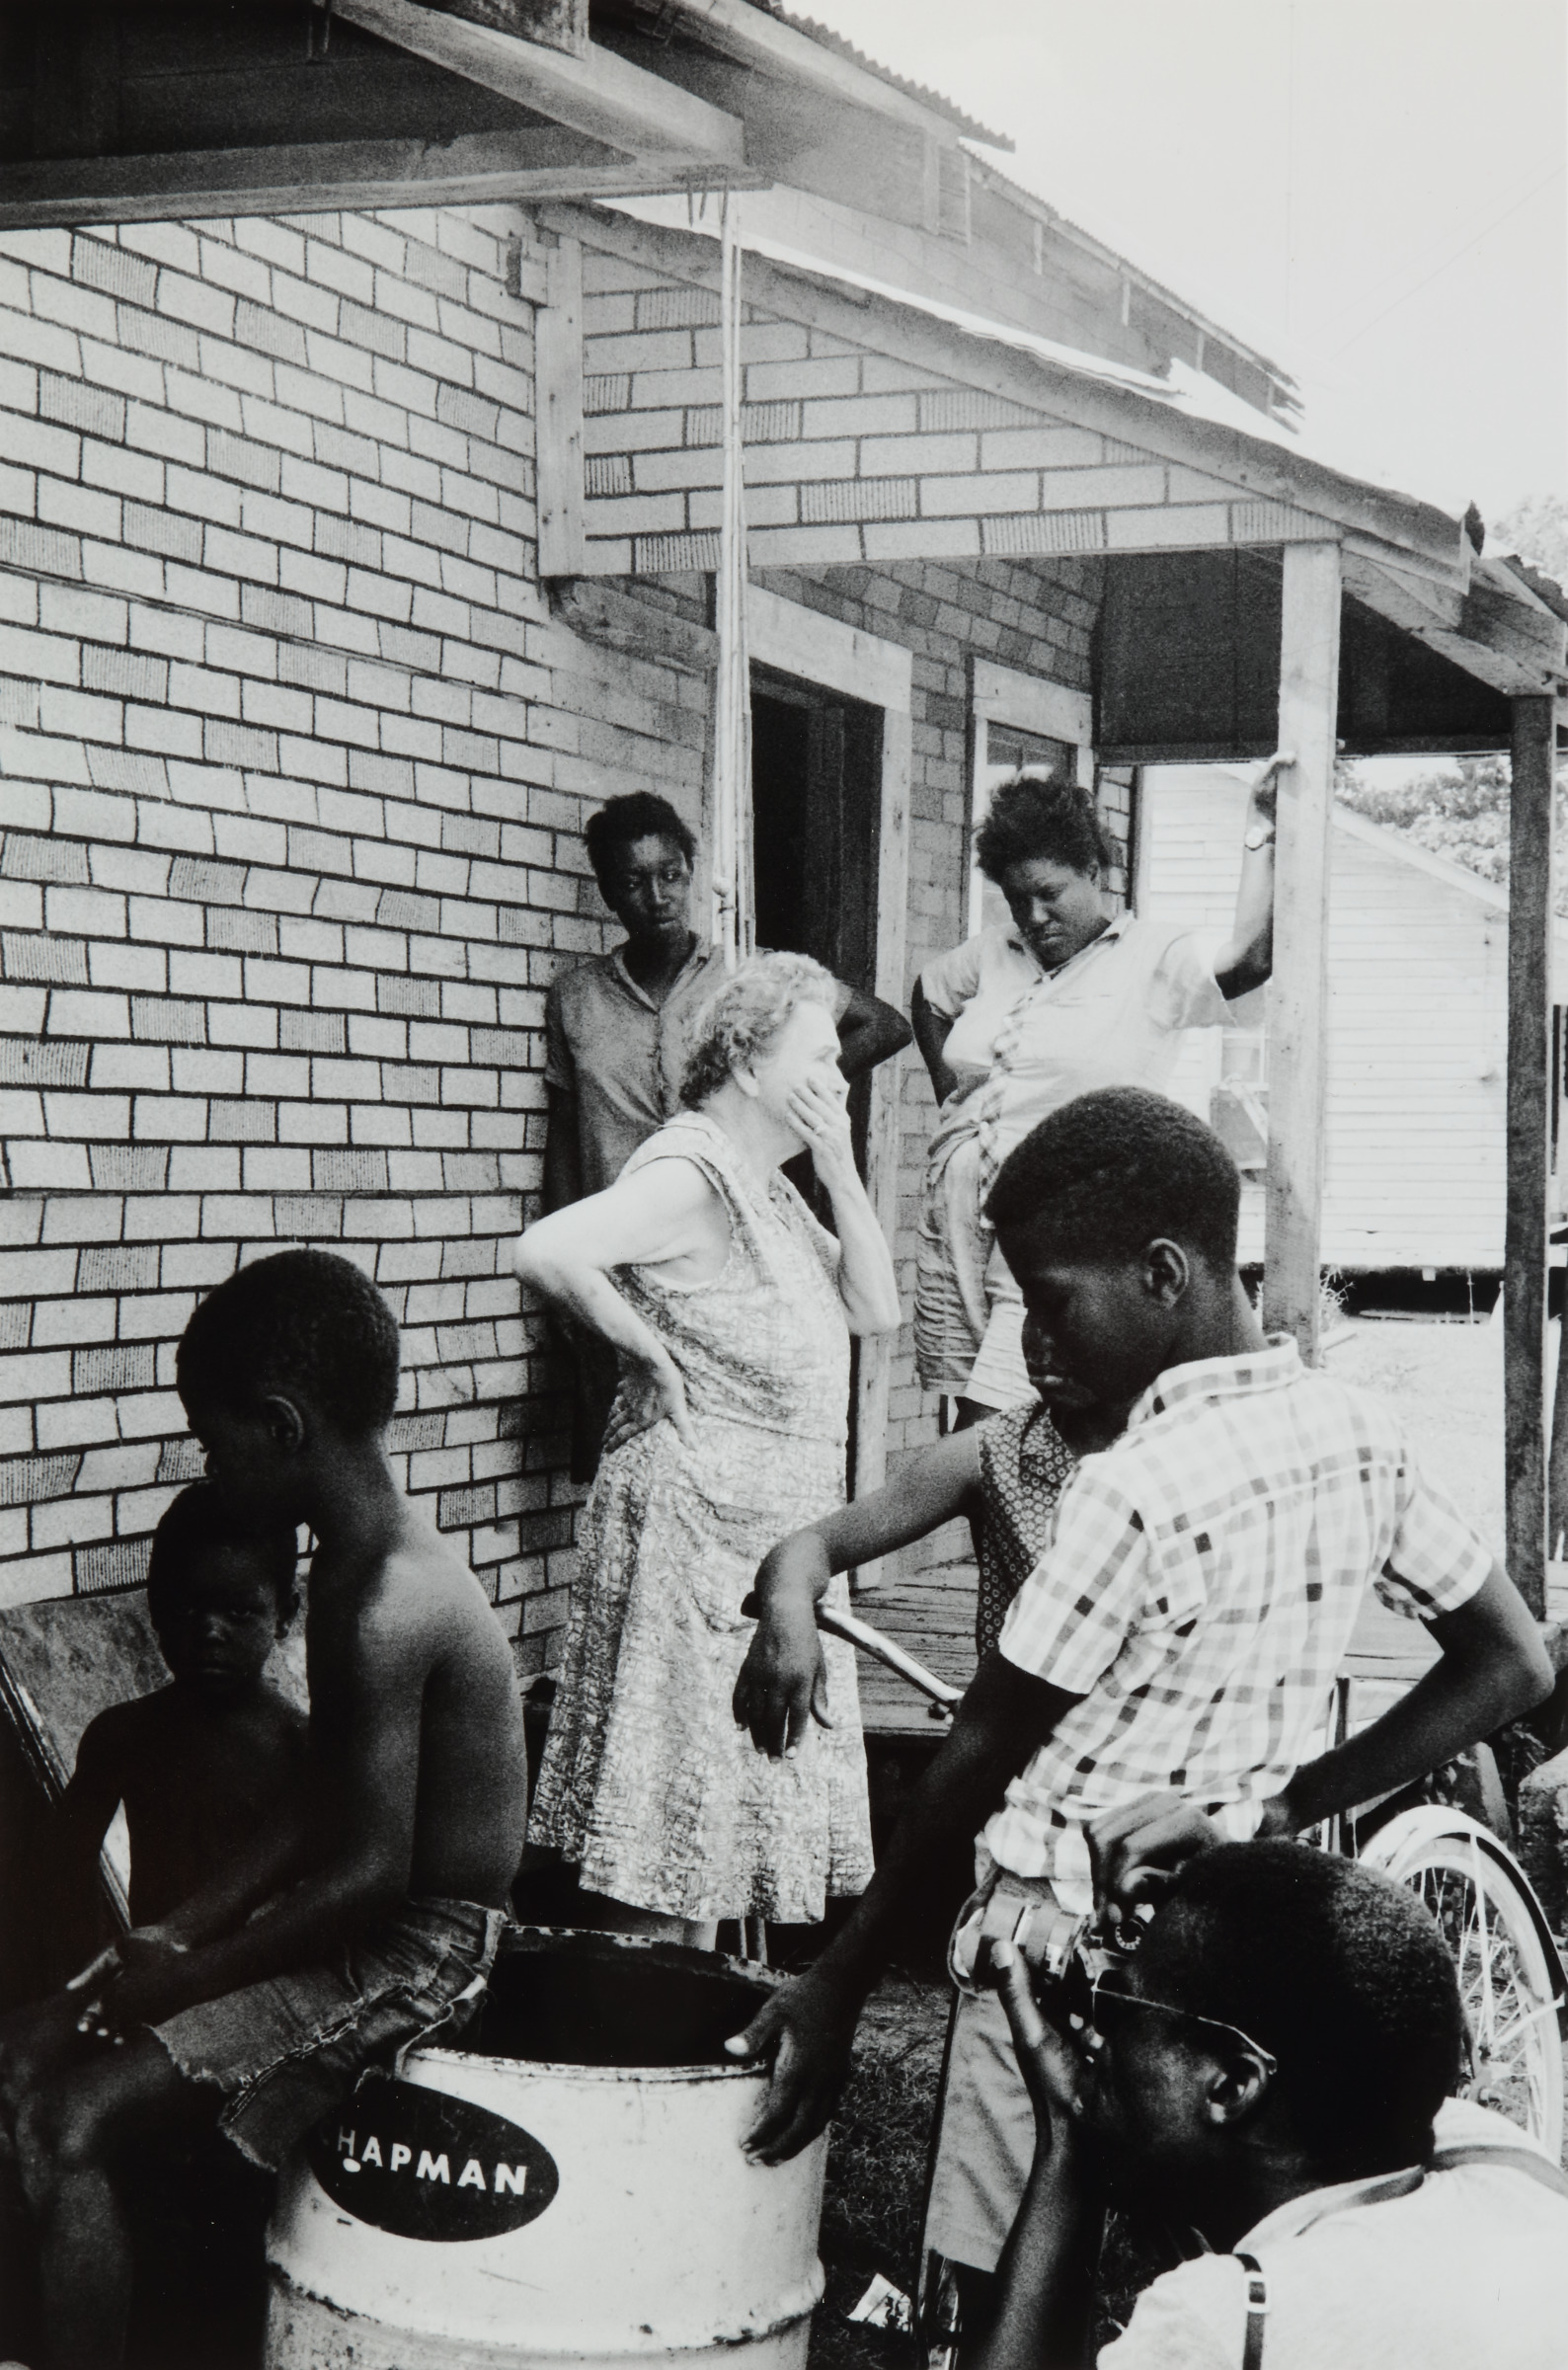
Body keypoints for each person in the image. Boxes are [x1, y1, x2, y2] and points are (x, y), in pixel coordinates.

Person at [729, 1088, 1551, 2344]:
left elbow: (975, 1760)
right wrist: (1289, 1803)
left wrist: (839, 1983)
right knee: (1209, 2287)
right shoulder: (1356, 1431)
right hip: (1233, 1956)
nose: (1034, 1349)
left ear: (1164, 1272)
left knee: (1007, 2286)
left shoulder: (1131, 1490)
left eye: (1053, 1303)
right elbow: (1509, 1666)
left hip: (1053, 1958)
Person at [0, 1248, 530, 2370]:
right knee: (49, 2062)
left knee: (69, 2117)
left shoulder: (386, 1602)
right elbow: (326, 1818)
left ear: (280, 1427)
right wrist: (183, 1933)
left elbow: (371, 1875)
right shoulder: (351, 1564)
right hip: (370, 1924)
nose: (207, 1463)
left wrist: (189, 1976)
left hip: (420, 1955)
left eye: (211, 1438)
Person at [515, 951, 902, 1943]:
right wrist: (641, 1354)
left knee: (720, 1841)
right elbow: (548, 1248)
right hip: (693, 1533)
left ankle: (700, 2033)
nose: (836, 1076)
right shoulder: (690, 1170)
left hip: (764, 1537)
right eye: (817, 1055)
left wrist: (840, 1168)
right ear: (745, 1062)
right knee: (666, 1841)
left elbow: (875, 1306)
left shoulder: (763, 1183)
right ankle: (641, 2042)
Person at [974, 1843, 1568, 2370]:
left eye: (1120, 2011)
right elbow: (1331, 1998)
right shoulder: (1504, 2161)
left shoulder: (1221, 2322)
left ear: (1233, 2087)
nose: (1098, 2039)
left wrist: (1071, 2140)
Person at [543, 791, 910, 1476]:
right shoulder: (577, 998)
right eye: (632, 881)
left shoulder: (747, 980)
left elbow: (887, 1023)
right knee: (629, 1439)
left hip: (717, 1252)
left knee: (712, 1428)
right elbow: (565, 1136)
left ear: (692, 871)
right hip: (617, 1252)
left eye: (672, 874)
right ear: (606, 893)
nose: (657, 896)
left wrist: (792, 1096)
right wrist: (566, 1296)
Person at [912, 759, 1286, 1423]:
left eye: (1050, 891)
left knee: (988, 1436)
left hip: (1060, 1236)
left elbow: (1250, 958)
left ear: (1093, 870)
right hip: (959, 1225)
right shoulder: (994, 952)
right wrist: (954, 1093)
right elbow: (928, 995)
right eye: (1014, 896)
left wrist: (1260, 829)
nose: (1033, 914)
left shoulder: (1154, 957)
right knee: (1001, 1437)